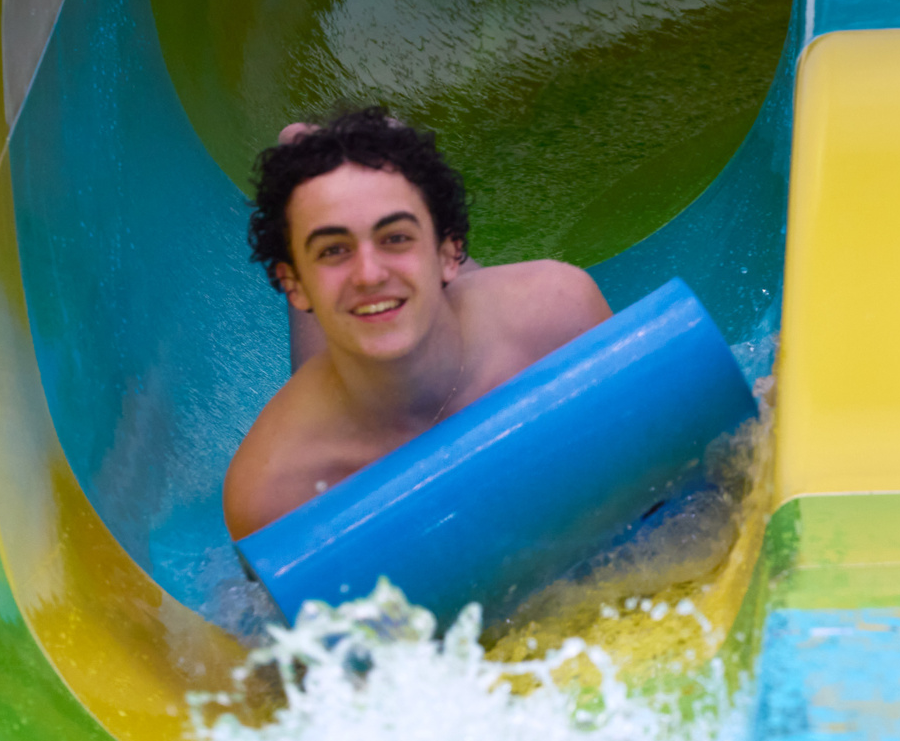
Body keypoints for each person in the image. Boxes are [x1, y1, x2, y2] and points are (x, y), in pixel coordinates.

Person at [223, 108, 612, 540]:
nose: (369, 274)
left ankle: (368, 176)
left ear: (451, 253)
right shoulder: (274, 491)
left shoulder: (561, 315)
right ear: (290, 285)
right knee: (359, 313)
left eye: (395, 237)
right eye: (333, 249)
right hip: (336, 386)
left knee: (385, 297)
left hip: (470, 306)